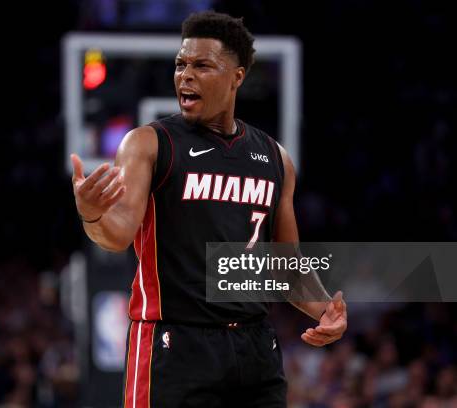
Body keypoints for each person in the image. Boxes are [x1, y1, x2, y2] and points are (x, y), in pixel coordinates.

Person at [71, 11, 347, 408]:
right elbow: (117, 235)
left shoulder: (275, 158)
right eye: (181, 64)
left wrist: (325, 310)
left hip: (254, 348)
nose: (185, 75)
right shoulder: (149, 143)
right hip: (174, 345)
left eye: (202, 65)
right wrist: (93, 213)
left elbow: (284, 265)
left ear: (236, 77)